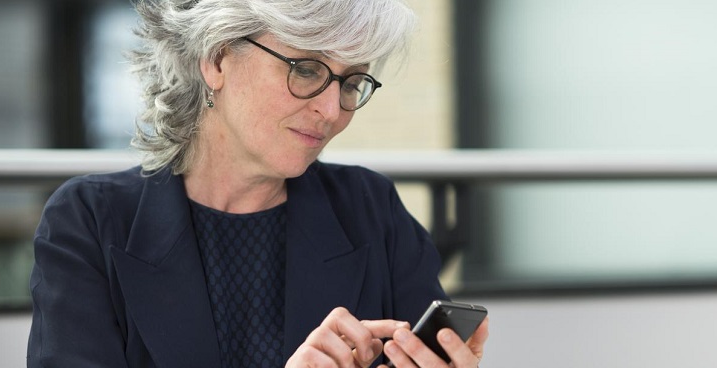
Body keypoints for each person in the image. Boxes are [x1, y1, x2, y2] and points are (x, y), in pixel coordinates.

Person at [26, 0, 489, 367]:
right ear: (217, 58)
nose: (332, 110)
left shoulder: (370, 208)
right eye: (306, 69)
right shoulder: (90, 222)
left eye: (351, 83)